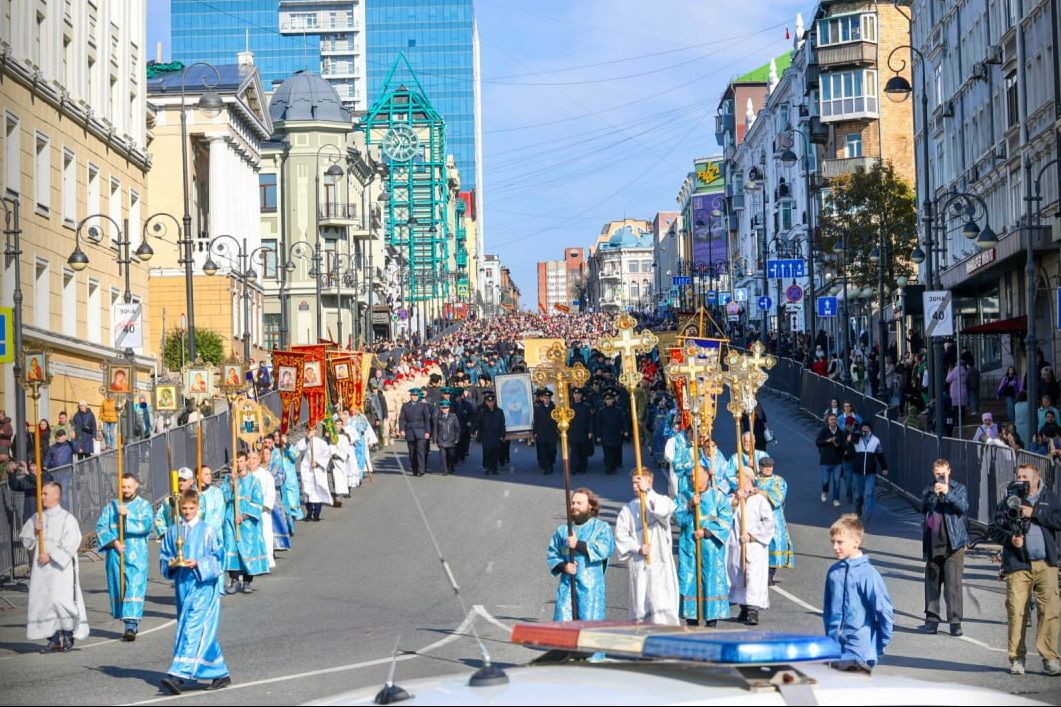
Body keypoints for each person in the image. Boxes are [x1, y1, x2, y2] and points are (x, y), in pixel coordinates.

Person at [988, 463, 1061, 676]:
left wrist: (1035, 512)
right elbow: (994, 528)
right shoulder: (1009, 499)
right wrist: (1011, 540)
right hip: (1018, 564)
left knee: (1050, 611)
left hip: (1046, 563)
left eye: (1025, 476)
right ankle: (1017, 658)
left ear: (1036, 478)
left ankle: (1049, 658)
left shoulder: (1050, 498)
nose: (1021, 480)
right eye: (1018, 476)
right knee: (1017, 611)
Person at [159, 489, 232, 694]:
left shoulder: (208, 530)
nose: (187, 512)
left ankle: (178, 675)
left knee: (191, 628)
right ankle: (219, 672)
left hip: (203, 587)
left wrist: (197, 564)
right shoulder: (173, 531)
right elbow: (165, 557)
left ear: (197, 507)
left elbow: (218, 558)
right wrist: (172, 564)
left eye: (191, 508)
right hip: (183, 587)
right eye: (184, 508)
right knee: (200, 631)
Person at [20, 481, 90, 652]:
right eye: (41, 493)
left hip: (60, 570)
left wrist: (51, 556)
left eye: (45, 493)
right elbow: (25, 538)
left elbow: (72, 541)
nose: (41, 496)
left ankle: (67, 636)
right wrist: (35, 531)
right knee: (43, 602)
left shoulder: (67, 518)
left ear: (56, 496)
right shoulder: (37, 517)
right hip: (42, 570)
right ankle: (53, 639)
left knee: (61, 601)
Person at [823, 514, 894, 674]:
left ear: (856, 542)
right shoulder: (834, 572)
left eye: (840, 542)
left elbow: (884, 612)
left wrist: (876, 646)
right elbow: (828, 611)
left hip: (859, 649)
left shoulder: (868, 574)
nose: (835, 547)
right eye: (833, 542)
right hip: (835, 648)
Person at [614, 468, 679, 626]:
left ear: (649, 481)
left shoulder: (661, 500)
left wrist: (648, 492)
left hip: (660, 560)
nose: (635, 486)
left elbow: (665, 511)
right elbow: (620, 536)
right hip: (640, 561)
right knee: (642, 603)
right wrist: (637, 548)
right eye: (633, 483)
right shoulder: (628, 509)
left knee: (662, 601)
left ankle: (666, 639)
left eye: (638, 481)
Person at [675, 461, 732, 627]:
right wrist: (690, 505)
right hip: (689, 546)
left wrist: (707, 532)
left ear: (706, 478)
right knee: (689, 579)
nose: (693, 479)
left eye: (696, 476)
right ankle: (691, 618)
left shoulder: (718, 497)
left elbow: (727, 520)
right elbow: (677, 519)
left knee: (710, 580)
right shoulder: (684, 496)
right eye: (691, 476)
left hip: (710, 548)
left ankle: (711, 619)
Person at [546, 487, 615, 622]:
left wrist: (578, 545)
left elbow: (606, 549)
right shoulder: (563, 531)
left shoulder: (601, 528)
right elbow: (552, 553)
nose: (574, 506)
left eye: (579, 503)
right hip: (567, 586)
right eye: (573, 503)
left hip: (591, 590)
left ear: (590, 506)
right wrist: (564, 566)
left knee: (589, 631)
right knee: (564, 628)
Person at [920, 459, 969, 637]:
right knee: (932, 581)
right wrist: (935, 494)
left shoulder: (959, 488)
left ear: (949, 471)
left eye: (943, 473)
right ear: (933, 473)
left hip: (953, 543)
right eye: (937, 473)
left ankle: (955, 621)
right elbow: (924, 507)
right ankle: (932, 619)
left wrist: (947, 493)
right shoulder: (928, 489)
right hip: (933, 541)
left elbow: (963, 507)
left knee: (953, 584)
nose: (941, 476)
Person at [726, 471, 775, 625]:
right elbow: (723, 514)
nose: (740, 484)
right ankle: (743, 607)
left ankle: (753, 610)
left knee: (753, 576)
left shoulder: (759, 500)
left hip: (754, 546)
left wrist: (752, 535)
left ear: (749, 482)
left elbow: (769, 523)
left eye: (743, 480)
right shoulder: (733, 498)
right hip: (737, 544)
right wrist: (735, 501)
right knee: (737, 574)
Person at [221, 451, 270, 594]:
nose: (238, 464)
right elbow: (223, 496)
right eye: (236, 461)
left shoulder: (254, 481)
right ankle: (235, 580)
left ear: (246, 462)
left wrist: (244, 516)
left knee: (248, 549)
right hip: (231, 518)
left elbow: (258, 502)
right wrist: (231, 483)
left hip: (247, 522)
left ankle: (247, 580)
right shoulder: (229, 479)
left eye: (241, 461)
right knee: (231, 548)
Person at [757, 457, 793, 585]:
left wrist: (764, 493)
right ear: (760, 467)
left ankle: (770, 574)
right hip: (757, 517)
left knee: (775, 543)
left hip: (774, 517)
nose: (768, 469)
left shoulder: (779, 481)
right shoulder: (754, 480)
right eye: (765, 466)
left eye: (770, 466)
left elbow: (779, 498)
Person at [851, 421, 888, 520]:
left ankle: (868, 514)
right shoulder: (856, 438)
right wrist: (851, 437)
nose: (864, 430)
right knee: (858, 494)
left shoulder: (876, 440)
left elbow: (880, 454)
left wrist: (884, 467)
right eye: (863, 428)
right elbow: (848, 446)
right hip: (857, 471)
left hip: (870, 472)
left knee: (869, 493)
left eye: (866, 428)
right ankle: (858, 509)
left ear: (870, 429)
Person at [247, 450, 278, 569]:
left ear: (259, 460)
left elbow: (270, 495)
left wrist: (261, 507)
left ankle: (266, 560)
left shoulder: (266, 475)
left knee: (265, 536)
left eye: (254, 458)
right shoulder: (244, 476)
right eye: (249, 458)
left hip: (262, 512)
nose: (252, 461)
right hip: (247, 514)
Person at [295, 424, 332, 521]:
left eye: (312, 429)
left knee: (317, 491)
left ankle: (317, 513)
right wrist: (307, 438)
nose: (310, 431)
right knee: (307, 491)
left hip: (317, 470)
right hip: (307, 470)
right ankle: (309, 511)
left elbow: (327, 454)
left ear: (315, 430)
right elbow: (298, 448)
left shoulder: (321, 443)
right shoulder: (304, 441)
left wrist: (318, 463)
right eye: (308, 430)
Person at [153, 467, 196, 540]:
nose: (181, 483)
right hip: (173, 541)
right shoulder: (168, 500)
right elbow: (159, 519)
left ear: (191, 481)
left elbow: (200, 515)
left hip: (193, 539)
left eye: (184, 480)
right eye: (179, 480)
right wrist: (167, 534)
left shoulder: (197, 498)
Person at [398, 388, 432, 477]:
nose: (415, 397)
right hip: (410, 431)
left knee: (420, 450)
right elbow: (402, 419)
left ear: (418, 396)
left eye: (416, 395)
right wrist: (402, 429)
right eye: (413, 395)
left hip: (421, 430)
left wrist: (428, 432)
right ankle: (415, 468)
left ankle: (421, 470)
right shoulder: (405, 406)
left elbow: (427, 420)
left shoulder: (423, 405)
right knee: (412, 452)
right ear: (410, 396)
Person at [594, 390, 627, 475]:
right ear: (605, 400)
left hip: (616, 433)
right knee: (607, 451)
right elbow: (598, 423)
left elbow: (623, 421)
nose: (608, 401)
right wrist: (598, 435)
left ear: (613, 400)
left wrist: (625, 430)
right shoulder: (601, 410)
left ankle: (614, 465)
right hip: (605, 434)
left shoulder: (618, 410)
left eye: (610, 399)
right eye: (607, 399)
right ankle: (609, 467)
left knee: (615, 450)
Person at [816, 414, 846, 507]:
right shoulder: (824, 431)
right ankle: (825, 491)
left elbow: (845, 446)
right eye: (831, 420)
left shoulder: (841, 433)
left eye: (834, 419)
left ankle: (836, 499)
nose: (833, 421)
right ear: (828, 421)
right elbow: (817, 442)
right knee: (825, 481)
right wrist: (827, 441)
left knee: (837, 480)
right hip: (826, 461)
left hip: (837, 461)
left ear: (837, 421)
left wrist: (839, 445)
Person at [474, 392, 506, 476]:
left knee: (495, 452)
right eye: (489, 402)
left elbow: (502, 424)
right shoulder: (483, 412)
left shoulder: (499, 411)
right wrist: (473, 431)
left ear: (494, 402)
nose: (490, 404)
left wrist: (503, 435)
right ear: (486, 402)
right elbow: (478, 422)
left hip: (496, 435)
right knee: (487, 452)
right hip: (486, 435)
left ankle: (494, 468)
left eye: (492, 402)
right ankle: (487, 467)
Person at [569, 388, 594, 476]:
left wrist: (590, 431)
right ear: (573, 395)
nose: (577, 396)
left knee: (583, 451)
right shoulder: (569, 407)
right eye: (575, 394)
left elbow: (590, 420)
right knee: (574, 451)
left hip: (584, 432)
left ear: (581, 395)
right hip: (573, 432)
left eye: (578, 394)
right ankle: (574, 468)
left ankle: (583, 467)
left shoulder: (586, 406)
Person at [533, 389, 559, 475]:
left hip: (551, 433)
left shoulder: (554, 408)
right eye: (545, 398)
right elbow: (536, 421)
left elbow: (557, 420)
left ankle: (551, 463)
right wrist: (535, 432)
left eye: (548, 398)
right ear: (542, 399)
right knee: (543, 452)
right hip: (542, 433)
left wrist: (557, 430)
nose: (546, 399)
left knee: (552, 451)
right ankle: (547, 467)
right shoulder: (538, 408)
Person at [435, 400, 461, 476]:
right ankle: (445, 469)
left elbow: (457, 428)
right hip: (441, 439)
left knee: (451, 455)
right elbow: (436, 428)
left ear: (449, 408)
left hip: (451, 439)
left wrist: (457, 438)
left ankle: (451, 466)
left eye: (446, 408)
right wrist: (435, 438)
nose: (444, 409)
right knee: (442, 455)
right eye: (443, 408)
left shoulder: (453, 416)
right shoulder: (438, 417)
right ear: (441, 408)